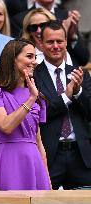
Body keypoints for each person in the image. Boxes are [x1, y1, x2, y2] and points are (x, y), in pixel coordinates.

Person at [0, 38, 51, 190]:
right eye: (29, 56)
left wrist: (48, 182)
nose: (35, 62)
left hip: (35, 162)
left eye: (35, 57)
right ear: (13, 58)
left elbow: (38, 142)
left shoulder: (37, 95)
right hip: (10, 161)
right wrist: (31, 99)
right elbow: (6, 126)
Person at [34, 20, 91, 190]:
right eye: (50, 42)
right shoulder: (33, 75)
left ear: (66, 42)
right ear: (41, 44)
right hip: (49, 154)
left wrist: (78, 90)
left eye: (59, 41)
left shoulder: (80, 73)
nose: (55, 46)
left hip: (80, 155)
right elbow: (40, 113)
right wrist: (66, 96)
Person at [10, 0, 89, 67]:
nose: (39, 31)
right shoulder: (19, 19)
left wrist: (72, 37)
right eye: (33, 27)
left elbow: (84, 59)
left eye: (43, 25)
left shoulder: (66, 16)